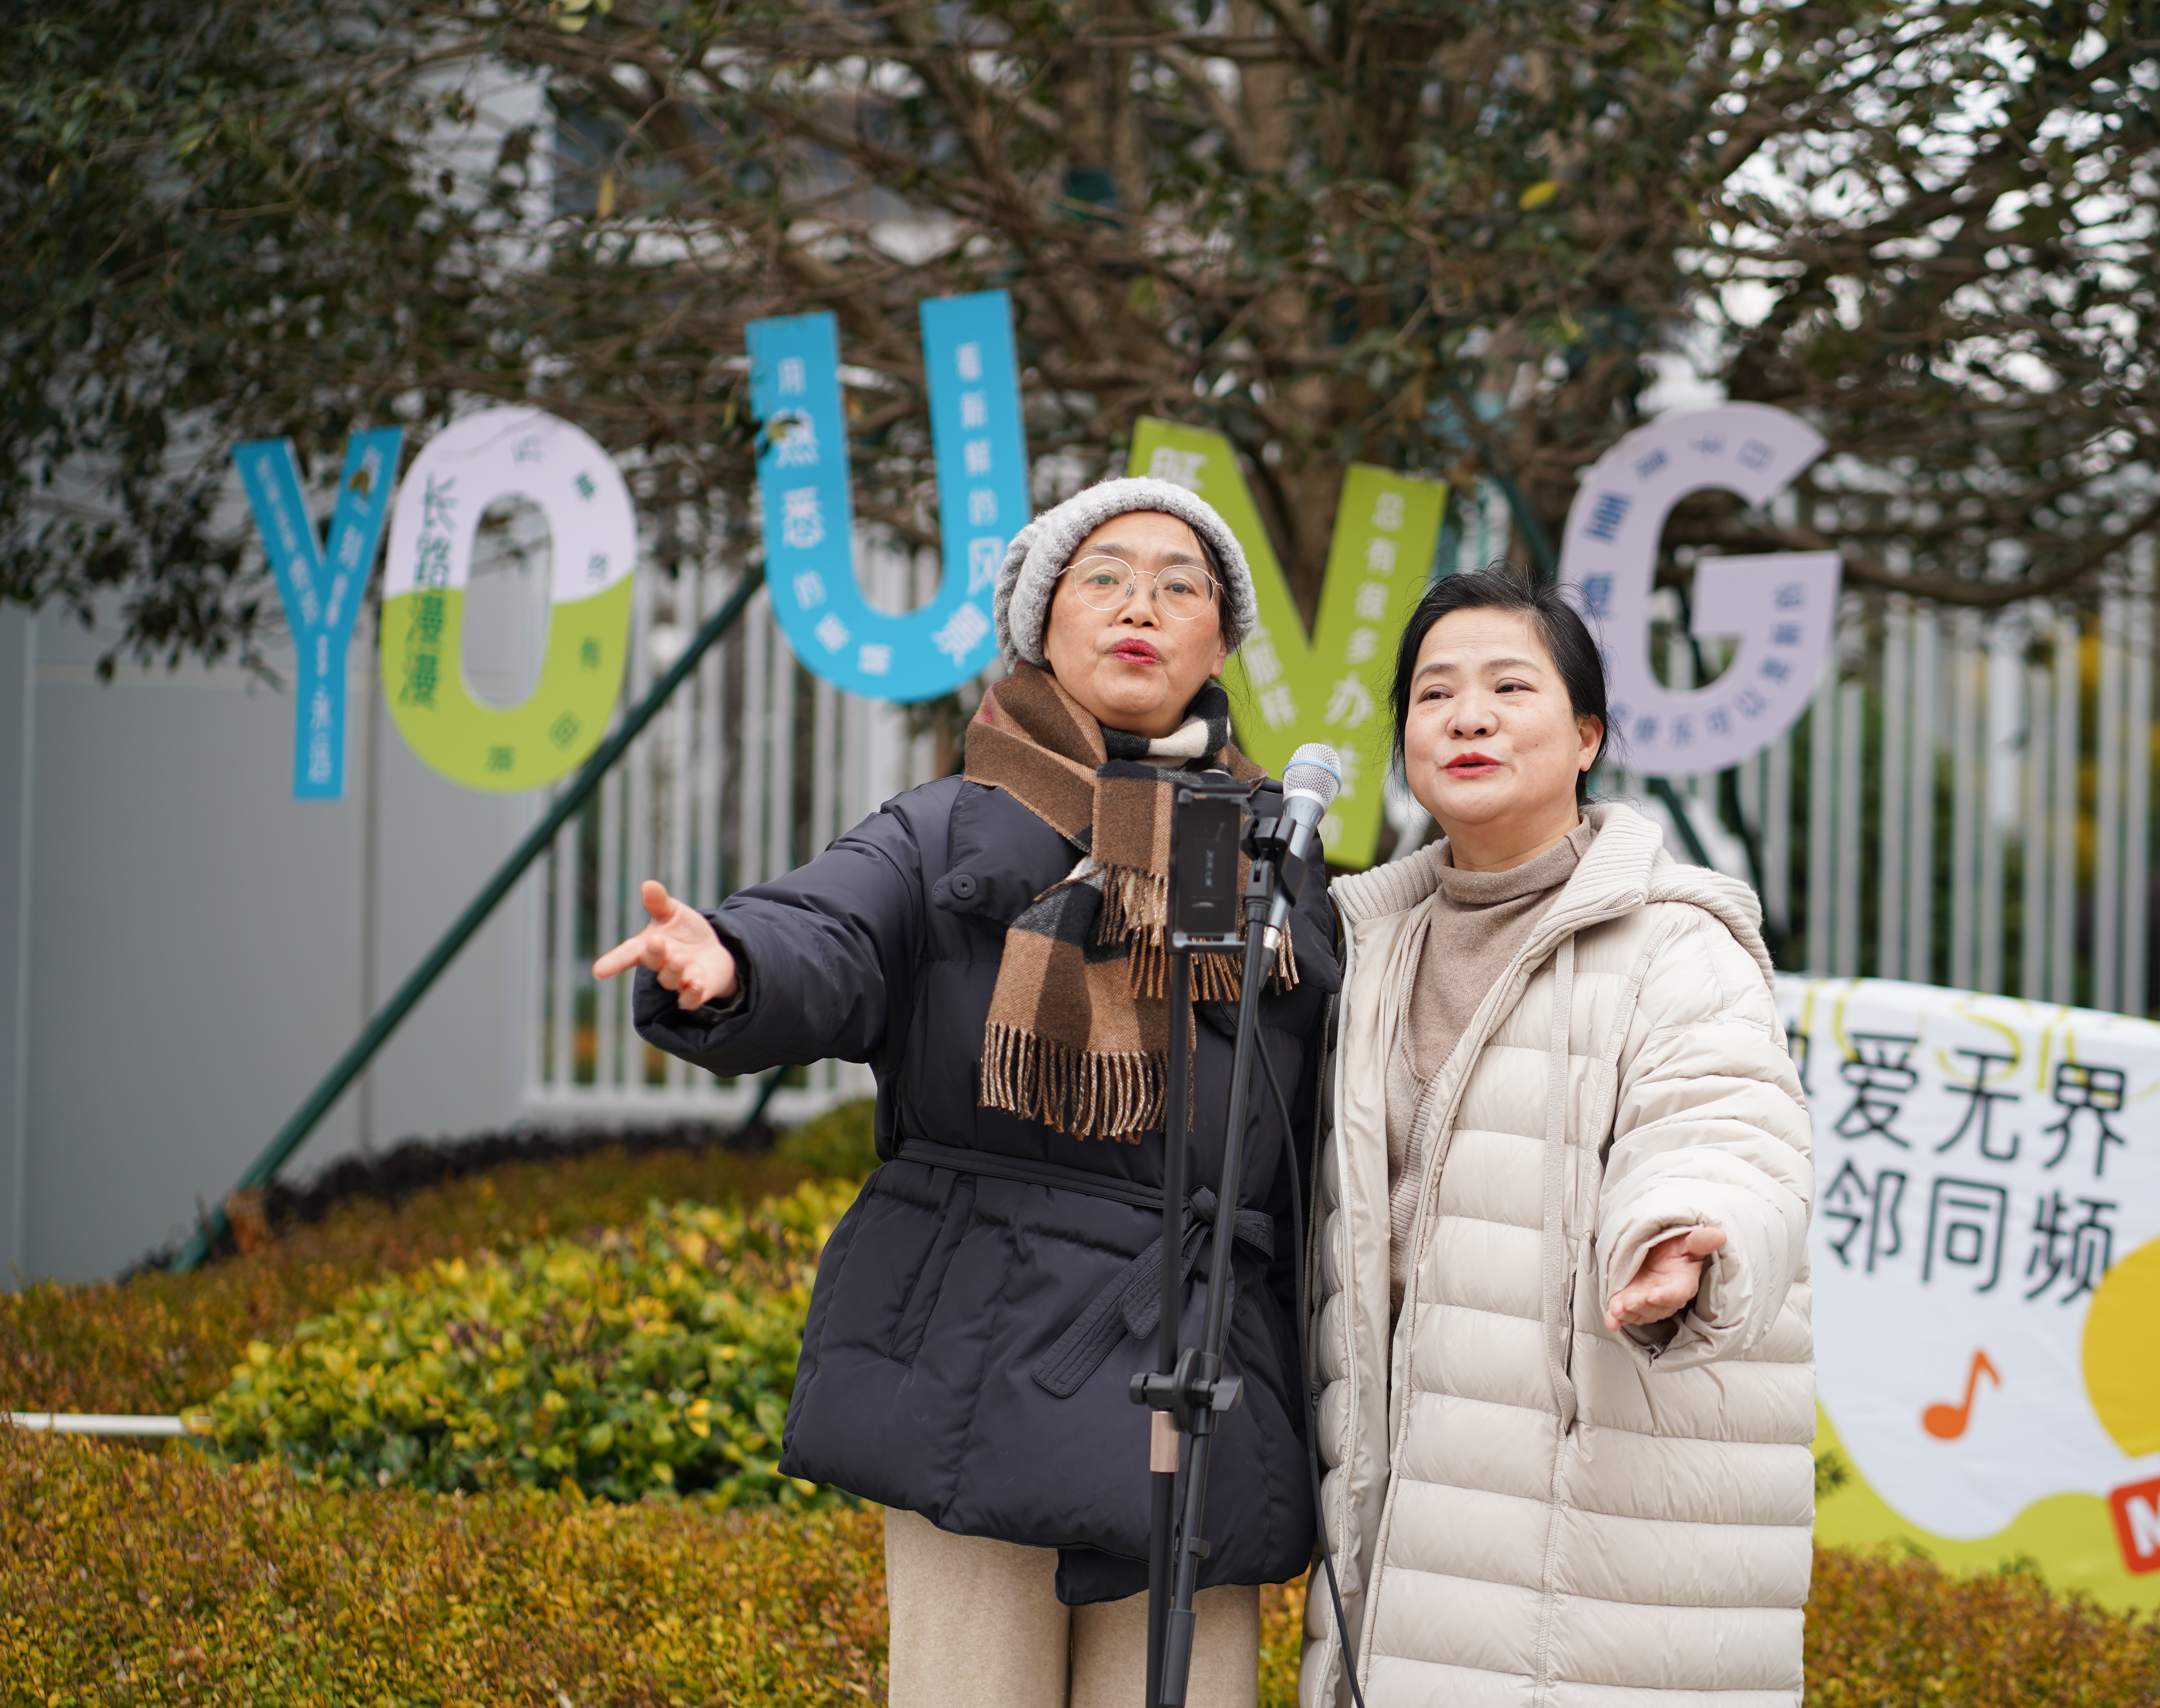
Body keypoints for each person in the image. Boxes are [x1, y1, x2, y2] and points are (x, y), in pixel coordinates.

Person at [592, 477, 1336, 1708]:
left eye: (1180, 585)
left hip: (1197, 1376)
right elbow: (829, 931)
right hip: (980, 1365)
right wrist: (734, 963)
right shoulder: (942, 829)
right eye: (1105, 579)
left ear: (1220, 643)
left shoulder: (1270, 857)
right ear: (1044, 624)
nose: (1140, 606)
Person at [1298, 568, 1816, 1705]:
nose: (1467, 717)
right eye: (1435, 695)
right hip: (1415, 1516)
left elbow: (1725, 1123)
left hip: (1605, 1539)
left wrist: (1680, 1231)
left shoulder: (1674, 943)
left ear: (1587, 737)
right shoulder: (1364, 952)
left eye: (1509, 688)